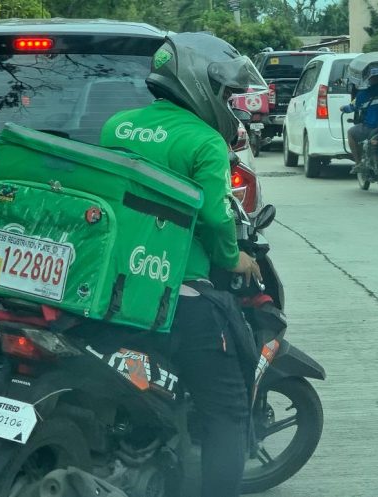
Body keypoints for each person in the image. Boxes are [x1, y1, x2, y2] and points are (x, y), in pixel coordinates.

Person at [100, 32, 264, 497]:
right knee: (228, 414)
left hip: (117, 290)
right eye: (227, 93)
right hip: (181, 298)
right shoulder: (204, 142)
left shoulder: (118, 126)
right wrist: (235, 258)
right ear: (199, 82)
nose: (229, 103)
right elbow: (216, 217)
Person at [341, 74, 378, 173]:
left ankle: (358, 163)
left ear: (368, 79)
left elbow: (352, 107)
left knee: (351, 133)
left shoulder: (364, 94)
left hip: (372, 127)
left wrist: (343, 108)